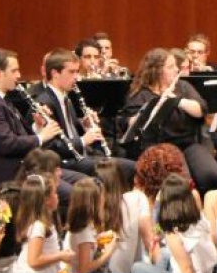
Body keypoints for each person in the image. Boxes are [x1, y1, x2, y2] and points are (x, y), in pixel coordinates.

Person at [120, 48, 217, 194]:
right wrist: (155, 107)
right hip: (159, 148)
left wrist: (177, 100)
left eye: (175, 65)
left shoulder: (183, 87)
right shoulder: (141, 94)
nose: (177, 69)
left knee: (213, 176)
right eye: (171, 66)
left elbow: (201, 110)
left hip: (188, 144)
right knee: (182, 183)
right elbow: (130, 124)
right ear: (156, 71)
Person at [0, 49, 73, 193]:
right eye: (14, 71)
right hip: (13, 174)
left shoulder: (3, 99)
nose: (19, 75)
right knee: (77, 194)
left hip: (29, 169)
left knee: (87, 184)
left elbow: (19, 134)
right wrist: (41, 137)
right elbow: (6, 144)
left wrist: (38, 127)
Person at [30, 48, 137, 182]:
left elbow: (72, 132)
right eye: (71, 72)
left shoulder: (65, 98)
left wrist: (86, 126)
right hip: (65, 161)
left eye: (77, 72)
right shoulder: (44, 103)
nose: (76, 77)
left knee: (128, 166)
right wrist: (83, 140)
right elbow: (50, 147)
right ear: (55, 73)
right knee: (130, 168)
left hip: (79, 156)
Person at [66, 178, 171, 273]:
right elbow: (84, 269)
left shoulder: (83, 227)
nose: (104, 201)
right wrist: (108, 252)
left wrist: (99, 239)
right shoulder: (84, 231)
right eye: (101, 198)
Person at [9, 173, 91, 273]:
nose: (57, 196)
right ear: (46, 199)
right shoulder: (38, 226)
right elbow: (34, 261)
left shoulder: (44, 224)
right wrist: (61, 256)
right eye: (55, 193)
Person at [133, 173, 217, 273]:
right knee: (166, 255)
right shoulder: (200, 219)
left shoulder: (174, 234)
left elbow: (187, 267)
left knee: (136, 268)